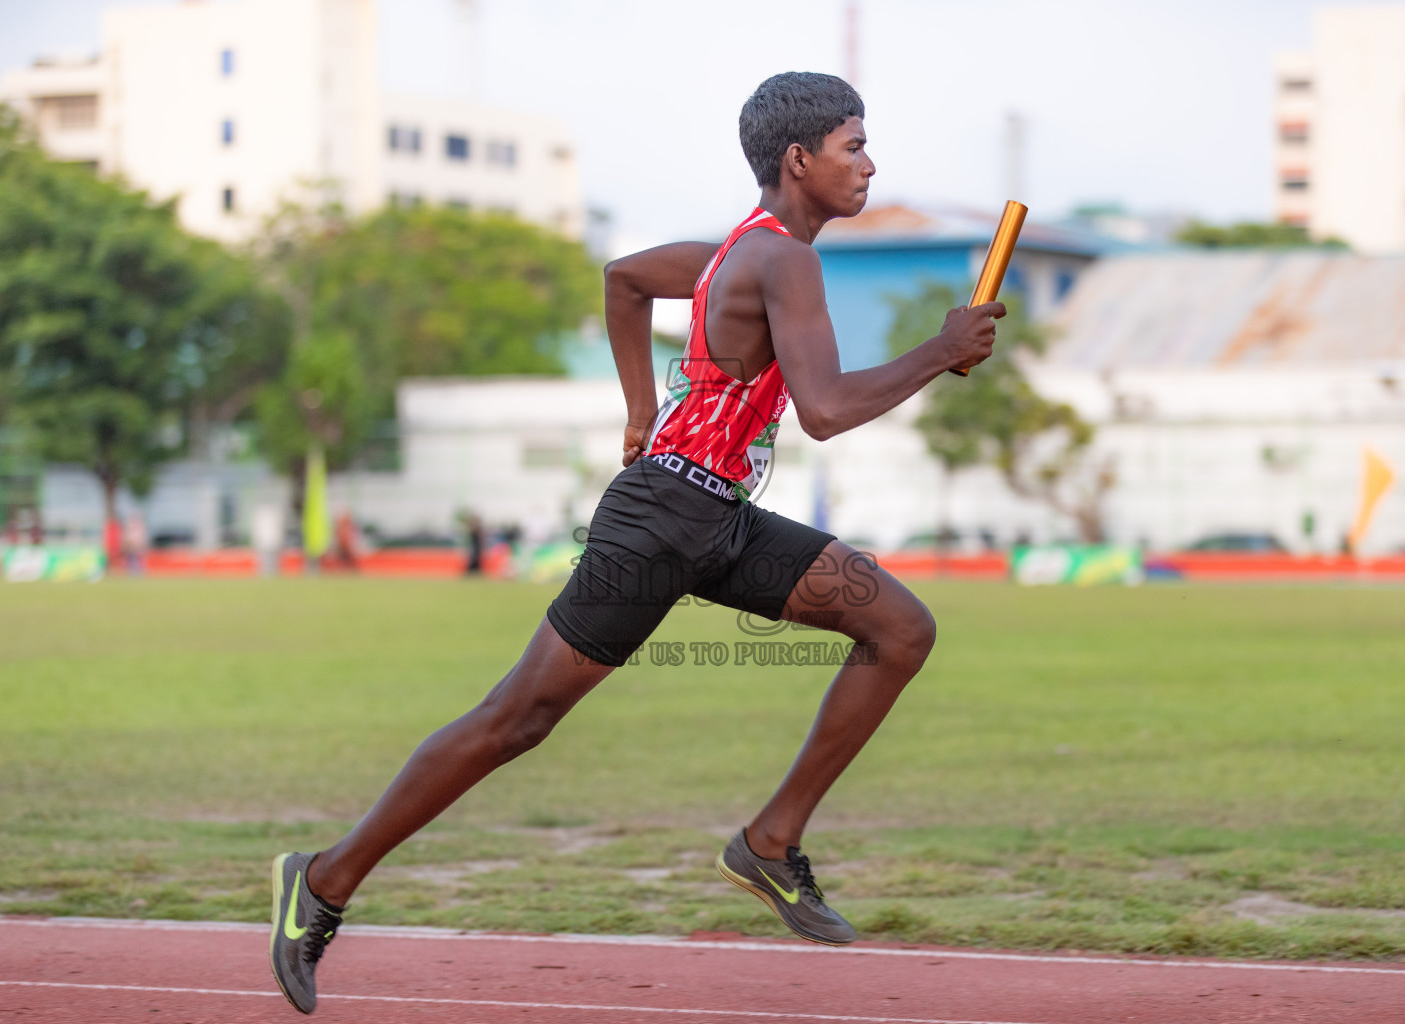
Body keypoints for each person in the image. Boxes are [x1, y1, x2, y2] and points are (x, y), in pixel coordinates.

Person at [269, 71, 1002, 1015]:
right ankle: (322, 881)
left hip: (718, 517)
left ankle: (770, 843)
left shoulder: (730, 253)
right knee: (516, 720)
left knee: (899, 628)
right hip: (658, 520)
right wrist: (941, 351)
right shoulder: (783, 260)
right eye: (855, 146)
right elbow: (822, 411)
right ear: (800, 158)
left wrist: (641, 406)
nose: (869, 163)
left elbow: (620, 281)